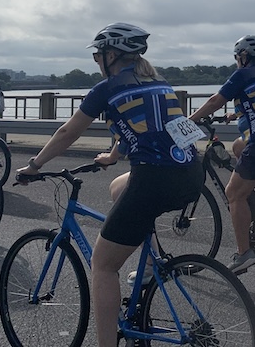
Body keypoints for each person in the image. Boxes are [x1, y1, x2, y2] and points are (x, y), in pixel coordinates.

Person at [15, 23, 203, 347]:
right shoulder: (159, 83)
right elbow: (155, 129)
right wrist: (114, 155)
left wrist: (34, 166)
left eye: (96, 56)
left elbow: (67, 133)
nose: (95, 62)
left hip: (154, 179)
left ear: (111, 55)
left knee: (102, 265)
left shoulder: (107, 88)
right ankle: (150, 265)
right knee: (119, 187)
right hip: (191, 174)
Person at [188, 34, 255, 274]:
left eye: (238, 56)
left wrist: (189, 120)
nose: (237, 60)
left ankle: (243, 253)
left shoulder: (242, 74)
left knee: (233, 194)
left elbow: (216, 100)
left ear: (244, 56)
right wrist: (234, 115)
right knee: (238, 146)